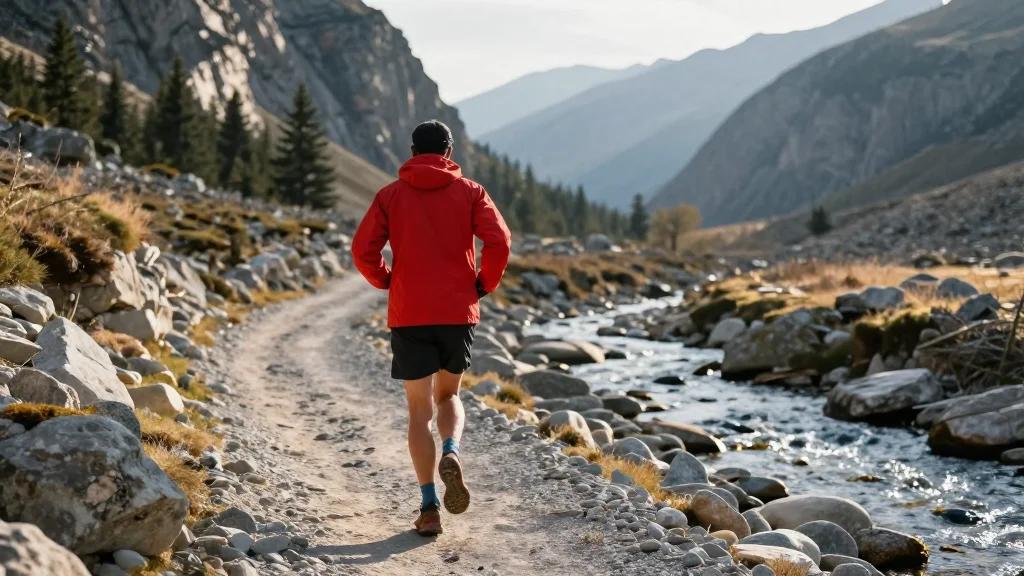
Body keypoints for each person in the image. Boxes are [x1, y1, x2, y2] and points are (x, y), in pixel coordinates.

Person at [351, 120, 511, 536]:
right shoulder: (471, 191)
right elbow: (500, 241)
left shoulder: (390, 195)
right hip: (457, 309)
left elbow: (362, 249)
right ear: (449, 151)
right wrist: (484, 283)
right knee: (449, 395)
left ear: (412, 151)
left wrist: (386, 279)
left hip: (409, 312)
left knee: (418, 411)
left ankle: (428, 507)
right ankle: (453, 451)